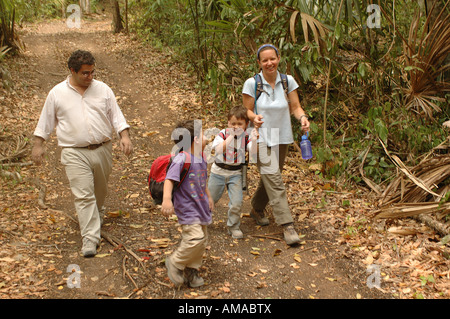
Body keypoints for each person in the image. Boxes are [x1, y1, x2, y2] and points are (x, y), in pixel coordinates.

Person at [32, 50, 133, 257]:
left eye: (92, 72)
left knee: (99, 191)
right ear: (72, 71)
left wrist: (125, 136)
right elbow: (45, 122)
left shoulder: (103, 89)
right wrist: (38, 145)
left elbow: (117, 116)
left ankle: (98, 212)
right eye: (85, 73)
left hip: (103, 148)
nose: (90, 77)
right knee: (83, 195)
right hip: (73, 152)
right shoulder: (57, 93)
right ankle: (89, 239)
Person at [242, 43, 310, 246]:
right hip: (260, 137)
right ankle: (287, 225)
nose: (269, 63)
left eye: (273, 59)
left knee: (272, 176)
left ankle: (256, 207)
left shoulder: (287, 81)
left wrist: (303, 118)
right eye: (265, 60)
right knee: (274, 178)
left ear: (279, 58)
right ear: (259, 63)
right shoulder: (251, 83)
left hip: (282, 136)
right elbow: (246, 111)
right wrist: (254, 117)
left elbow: (296, 106)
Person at [161, 119, 214, 288]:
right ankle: (175, 262)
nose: (206, 137)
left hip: (201, 206)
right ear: (196, 139)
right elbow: (169, 179)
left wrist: (209, 197)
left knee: (202, 240)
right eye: (203, 134)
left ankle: (192, 270)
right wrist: (167, 199)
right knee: (195, 238)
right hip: (187, 207)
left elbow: (203, 181)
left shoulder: (201, 157)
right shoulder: (182, 158)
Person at [207, 106, 258, 239]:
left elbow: (253, 154)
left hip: (235, 174)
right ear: (228, 123)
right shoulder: (222, 134)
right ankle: (201, 220)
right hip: (218, 171)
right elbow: (218, 150)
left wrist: (255, 139)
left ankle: (233, 226)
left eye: (239, 124)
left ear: (246, 125)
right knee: (210, 199)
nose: (236, 126)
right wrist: (231, 136)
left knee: (237, 202)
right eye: (232, 123)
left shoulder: (246, 137)